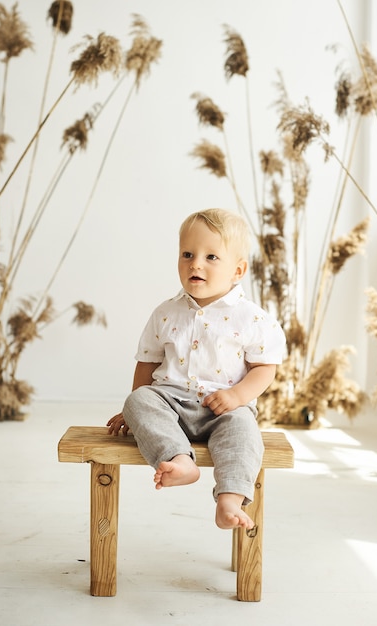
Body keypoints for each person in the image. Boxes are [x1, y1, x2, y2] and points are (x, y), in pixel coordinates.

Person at [107, 208, 285, 530]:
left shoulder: (252, 318)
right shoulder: (165, 312)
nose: (196, 263)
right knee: (138, 401)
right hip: (170, 402)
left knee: (245, 434)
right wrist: (134, 412)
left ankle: (229, 499)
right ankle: (179, 459)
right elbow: (147, 363)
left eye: (211, 257)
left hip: (223, 409)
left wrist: (236, 395)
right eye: (187, 254)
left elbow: (265, 368)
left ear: (238, 270)